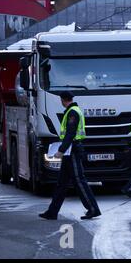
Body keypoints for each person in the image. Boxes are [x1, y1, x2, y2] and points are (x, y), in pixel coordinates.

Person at [39, 91, 101, 220]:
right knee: (61, 183)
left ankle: (93, 209)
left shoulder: (72, 112)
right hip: (71, 150)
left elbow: (70, 133)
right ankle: (52, 212)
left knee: (79, 180)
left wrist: (61, 150)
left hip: (73, 150)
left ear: (63, 100)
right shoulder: (73, 111)